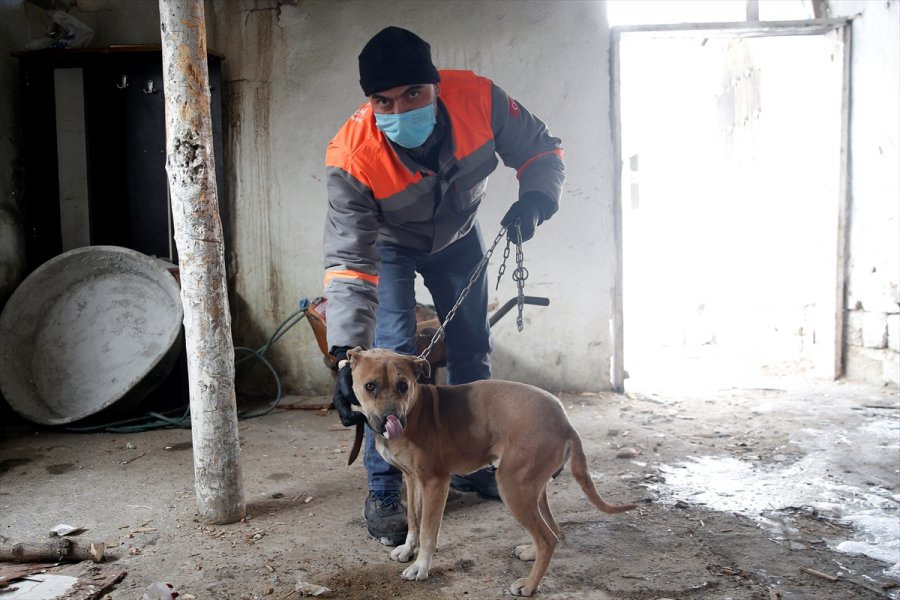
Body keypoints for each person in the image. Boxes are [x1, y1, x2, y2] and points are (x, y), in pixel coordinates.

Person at [323, 26, 565, 546]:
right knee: (391, 356)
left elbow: (541, 151)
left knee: (473, 343)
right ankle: (387, 486)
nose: (400, 108)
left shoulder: (480, 99)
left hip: (458, 233)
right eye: (383, 101)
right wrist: (345, 356)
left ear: (435, 85)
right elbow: (348, 264)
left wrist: (538, 199)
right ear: (369, 102)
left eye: (413, 93)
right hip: (389, 244)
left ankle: (476, 459)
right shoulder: (353, 155)